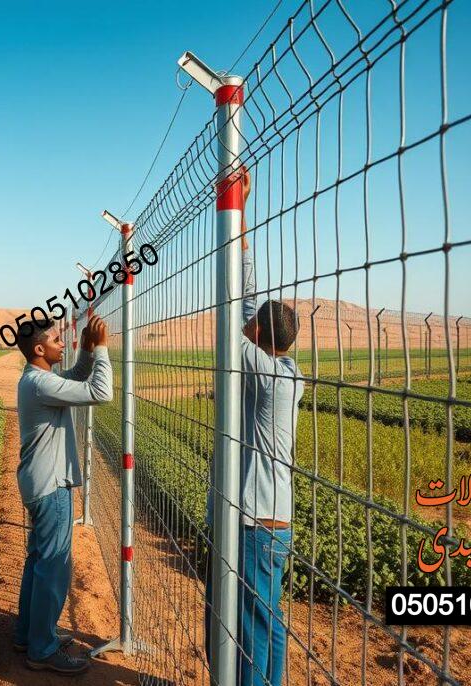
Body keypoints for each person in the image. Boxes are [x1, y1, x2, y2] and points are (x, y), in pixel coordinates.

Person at [204, 169, 304, 686]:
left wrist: (232, 212)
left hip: (258, 524)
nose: (243, 326)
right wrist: (238, 217)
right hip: (263, 520)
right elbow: (243, 301)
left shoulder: (266, 375)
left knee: (252, 626)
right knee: (262, 620)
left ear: (258, 334)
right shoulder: (283, 368)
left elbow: (229, 310)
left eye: (251, 325)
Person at [14, 314, 113, 675]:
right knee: (54, 567)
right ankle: (42, 649)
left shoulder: (37, 380)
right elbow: (100, 392)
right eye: (57, 340)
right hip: (51, 486)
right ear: (39, 349)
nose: (62, 343)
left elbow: (72, 379)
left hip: (40, 483)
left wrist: (86, 352)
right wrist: (101, 349)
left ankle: (28, 634)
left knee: (38, 562)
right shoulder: (40, 384)